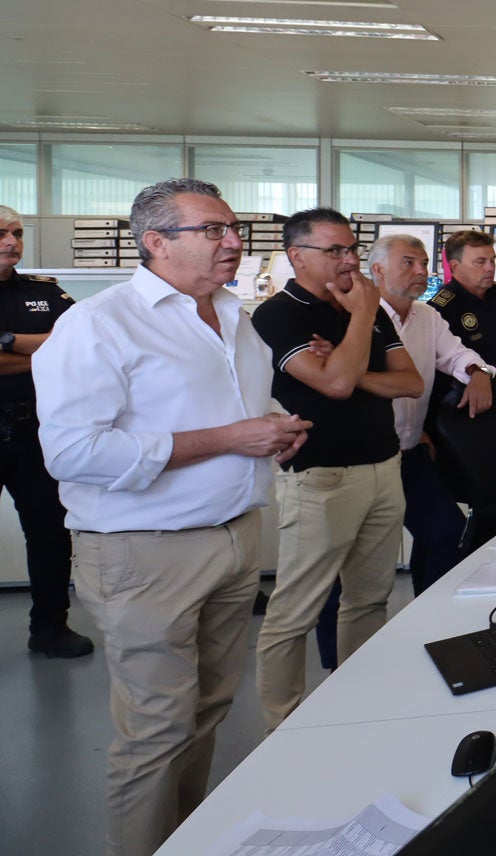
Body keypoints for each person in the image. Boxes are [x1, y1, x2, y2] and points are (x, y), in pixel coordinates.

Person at [35, 179, 310, 856]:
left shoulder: (234, 316)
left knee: (209, 712)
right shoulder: (100, 323)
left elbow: (226, 412)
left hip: (236, 537)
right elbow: (71, 452)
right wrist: (230, 440)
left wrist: (273, 427)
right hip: (143, 552)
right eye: (212, 231)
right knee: (157, 728)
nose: (234, 242)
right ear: (156, 242)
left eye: (234, 228)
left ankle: (180, 843)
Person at [250, 208, 421, 731]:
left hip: (383, 468)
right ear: (296, 257)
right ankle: (285, 727)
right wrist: (363, 321)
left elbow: (409, 382)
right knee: (294, 612)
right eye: (335, 252)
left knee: (369, 600)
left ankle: (357, 711)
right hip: (322, 478)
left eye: (352, 249)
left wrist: (350, 364)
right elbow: (335, 387)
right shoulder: (278, 316)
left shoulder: (363, 308)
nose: (349, 261)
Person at [310, 235, 495, 668]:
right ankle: (336, 663)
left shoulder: (428, 317)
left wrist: (476, 371)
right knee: (344, 562)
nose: (421, 271)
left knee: (447, 532)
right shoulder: (354, 317)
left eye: (425, 262)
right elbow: (337, 378)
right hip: (358, 459)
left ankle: (429, 627)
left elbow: (455, 355)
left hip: (408, 455)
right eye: (408, 262)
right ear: (376, 271)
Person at [0, 205, 92, 658]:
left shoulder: (45, 293)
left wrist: (8, 343)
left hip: (34, 429)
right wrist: (44, 349)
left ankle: (50, 628)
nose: (11, 242)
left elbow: (76, 347)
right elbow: (55, 351)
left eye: (16, 233)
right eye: (0, 234)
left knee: (50, 532)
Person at [428, 229, 496, 415]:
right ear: (455, 266)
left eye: (492, 260)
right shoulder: (441, 307)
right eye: (480, 262)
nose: (490, 267)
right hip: (461, 404)